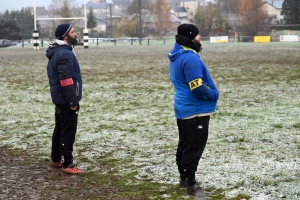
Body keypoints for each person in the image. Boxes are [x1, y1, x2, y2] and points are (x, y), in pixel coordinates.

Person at [168, 24, 219, 197]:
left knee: (184, 144)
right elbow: (196, 86)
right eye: (198, 36)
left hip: (184, 108)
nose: (200, 39)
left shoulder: (177, 55)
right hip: (195, 109)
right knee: (193, 147)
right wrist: (213, 94)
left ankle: (184, 178)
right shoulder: (190, 58)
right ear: (190, 38)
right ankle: (191, 185)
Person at [46, 23, 83, 175]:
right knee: (68, 132)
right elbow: (66, 80)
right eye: (73, 32)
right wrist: (73, 101)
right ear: (65, 36)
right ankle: (67, 164)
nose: (76, 34)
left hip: (59, 99)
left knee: (59, 130)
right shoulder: (65, 54)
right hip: (66, 100)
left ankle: (56, 159)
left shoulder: (59, 52)